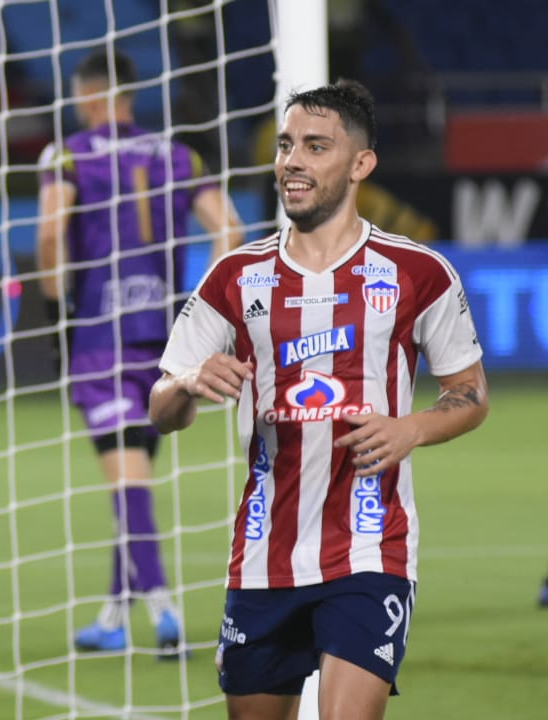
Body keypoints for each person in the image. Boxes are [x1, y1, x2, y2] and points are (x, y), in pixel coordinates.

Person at [150, 80, 488, 719]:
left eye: (315, 146)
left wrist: (411, 429)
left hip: (370, 547)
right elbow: (160, 409)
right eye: (284, 146)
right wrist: (187, 384)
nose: (292, 162)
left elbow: (469, 392)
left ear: (361, 164)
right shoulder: (234, 276)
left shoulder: (417, 272)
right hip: (262, 555)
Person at [36, 46, 244, 653]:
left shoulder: (69, 153)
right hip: (162, 339)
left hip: (101, 336)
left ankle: (161, 608)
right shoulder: (179, 154)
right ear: (131, 92)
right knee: (135, 472)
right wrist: (203, 315)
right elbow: (228, 229)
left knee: (126, 480)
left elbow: (50, 232)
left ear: (88, 93)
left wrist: (56, 315)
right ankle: (111, 617)